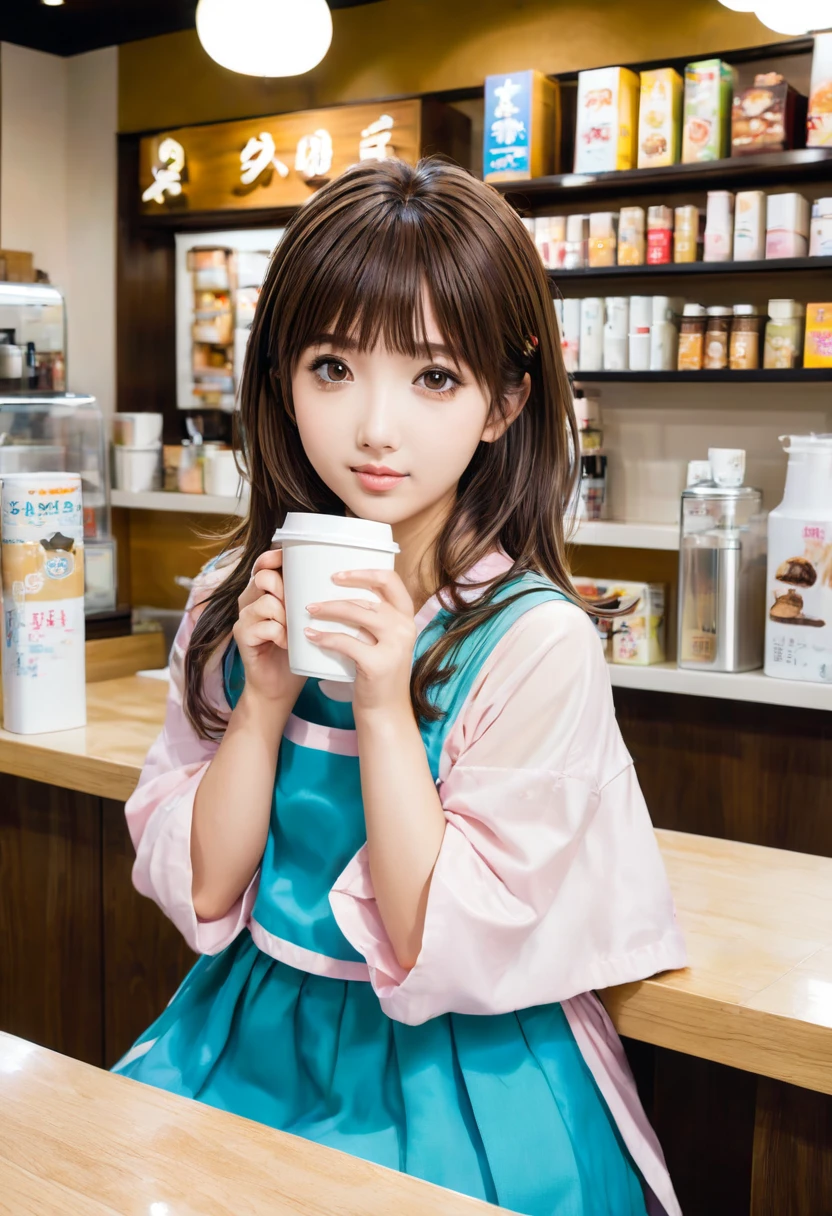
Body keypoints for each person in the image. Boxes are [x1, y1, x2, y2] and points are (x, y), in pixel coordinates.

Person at [114, 158, 685, 1216]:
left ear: (504, 401)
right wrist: (266, 700)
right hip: (250, 1024)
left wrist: (382, 705)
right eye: (333, 366)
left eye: (432, 377)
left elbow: (432, 940)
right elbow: (201, 892)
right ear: (282, 374)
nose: (375, 426)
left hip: (462, 1070)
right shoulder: (229, 599)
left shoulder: (534, 641)